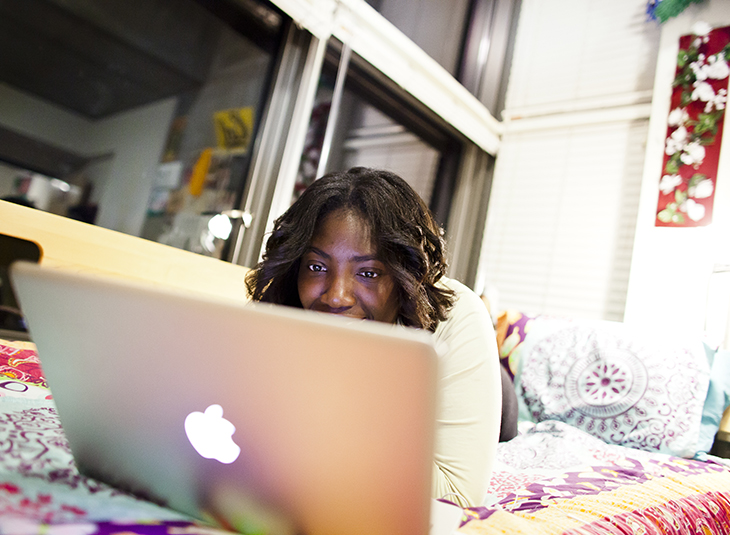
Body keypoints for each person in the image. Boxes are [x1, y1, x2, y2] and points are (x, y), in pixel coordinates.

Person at [245, 166, 501, 507]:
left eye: (368, 273)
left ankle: (495, 318)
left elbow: (457, 495)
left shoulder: (456, 316)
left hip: (458, 377)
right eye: (317, 267)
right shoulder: (281, 309)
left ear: (403, 277)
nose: (336, 296)